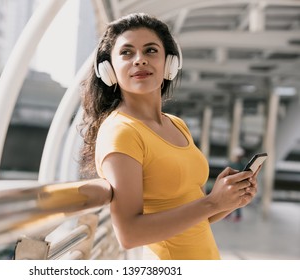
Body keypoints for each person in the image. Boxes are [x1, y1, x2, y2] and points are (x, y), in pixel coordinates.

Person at [79, 13, 260, 260]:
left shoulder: (176, 124)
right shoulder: (122, 132)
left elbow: (194, 218)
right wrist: (212, 203)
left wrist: (228, 201)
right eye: (127, 53)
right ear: (108, 70)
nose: (139, 60)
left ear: (170, 63)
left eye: (151, 50)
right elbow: (129, 234)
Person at [226, 147, 248, 222]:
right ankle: (228, 213)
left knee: (238, 201)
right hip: (232, 185)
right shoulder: (232, 164)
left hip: (239, 185)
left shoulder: (243, 164)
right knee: (230, 200)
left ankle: (238, 215)